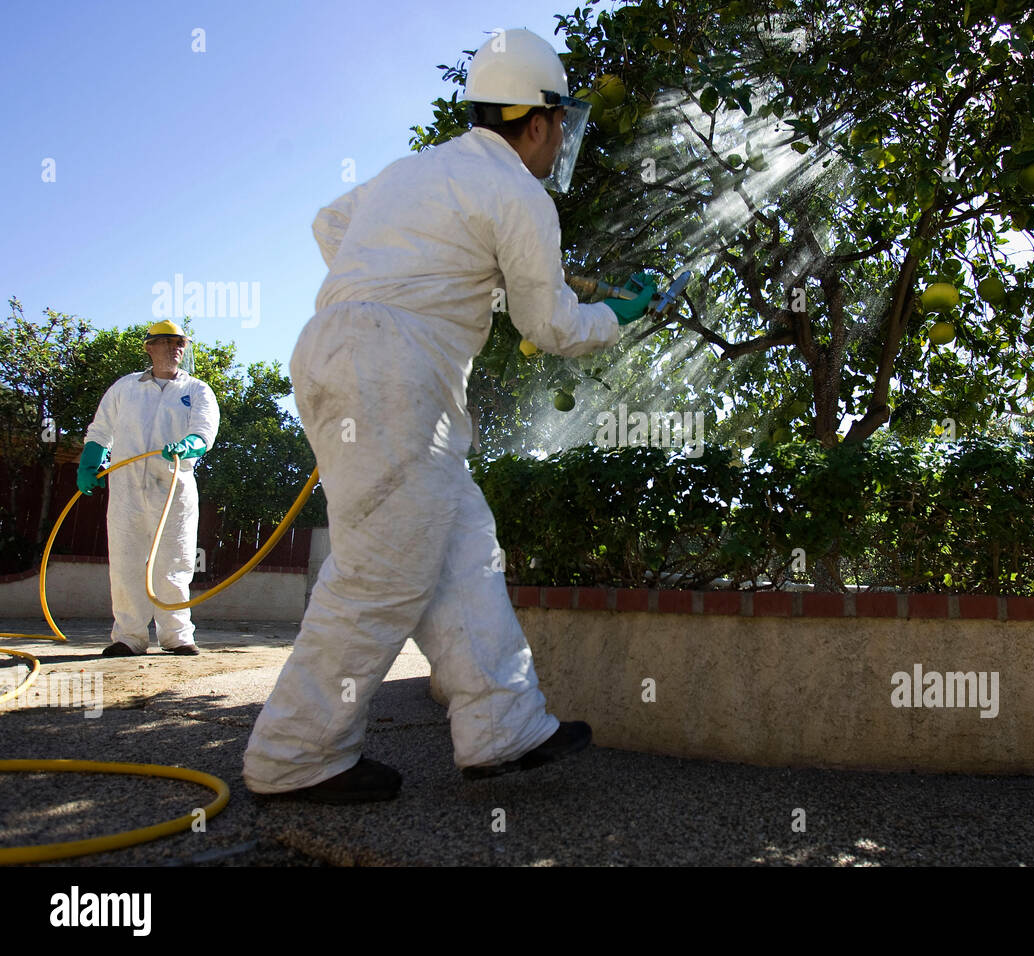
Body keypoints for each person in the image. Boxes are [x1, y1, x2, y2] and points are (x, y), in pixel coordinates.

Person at [242, 27, 657, 803]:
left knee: (463, 544)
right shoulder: (519, 195)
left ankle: (503, 723)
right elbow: (552, 327)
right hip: (394, 374)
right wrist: (621, 312)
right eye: (560, 123)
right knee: (379, 574)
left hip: (338, 349)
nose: (560, 138)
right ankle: (294, 756)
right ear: (535, 122)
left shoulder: (417, 169)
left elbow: (331, 225)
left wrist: (397, 282)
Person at [77, 319, 220, 657]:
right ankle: (129, 637)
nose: (176, 348)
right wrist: (89, 463)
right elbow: (100, 431)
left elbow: (205, 430)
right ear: (149, 347)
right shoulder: (124, 388)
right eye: (168, 342)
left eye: (180, 343)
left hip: (174, 488)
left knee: (174, 562)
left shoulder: (197, 390)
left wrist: (191, 444)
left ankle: (176, 636)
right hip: (127, 490)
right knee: (127, 562)